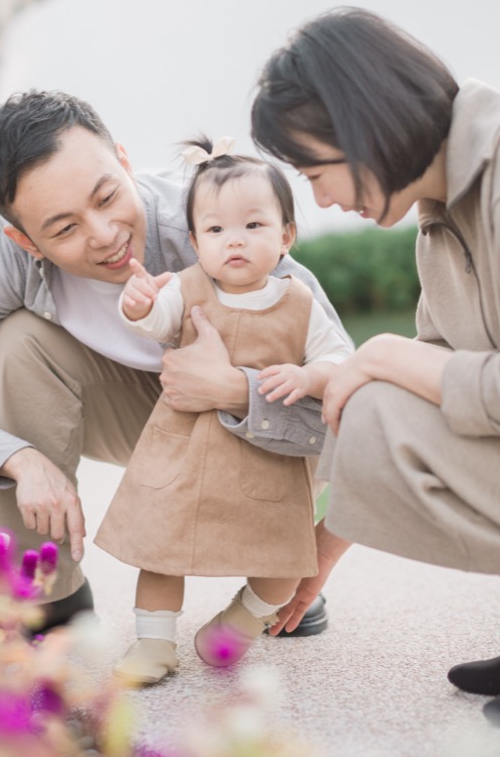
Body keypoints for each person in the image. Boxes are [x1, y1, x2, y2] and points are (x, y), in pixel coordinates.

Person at [0, 91, 350, 634]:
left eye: (108, 196)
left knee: (293, 422)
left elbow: (355, 415)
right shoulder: (7, 257)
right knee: (17, 344)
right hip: (144, 420)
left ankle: (272, 574)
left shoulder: (220, 226)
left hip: (265, 428)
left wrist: (233, 391)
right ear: (24, 238)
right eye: (64, 229)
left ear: (125, 162)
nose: (104, 234)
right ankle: (45, 590)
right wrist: (17, 458)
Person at [246, 6, 500, 732]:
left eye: (315, 171)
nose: (322, 198)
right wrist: (322, 557)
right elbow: (417, 401)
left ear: (363, 122)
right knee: (364, 396)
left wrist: (386, 354)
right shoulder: (441, 214)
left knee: (378, 382)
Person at [95, 136, 351, 686]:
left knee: (285, 559)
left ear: (286, 236)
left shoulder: (299, 302)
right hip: (186, 451)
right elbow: (155, 319)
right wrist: (137, 304)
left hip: (269, 459)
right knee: (161, 551)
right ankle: (154, 642)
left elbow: (339, 360)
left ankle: (237, 624)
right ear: (194, 241)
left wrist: (308, 374)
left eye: (253, 226)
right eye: (215, 230)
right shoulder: (187, 288)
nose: (233, 241)